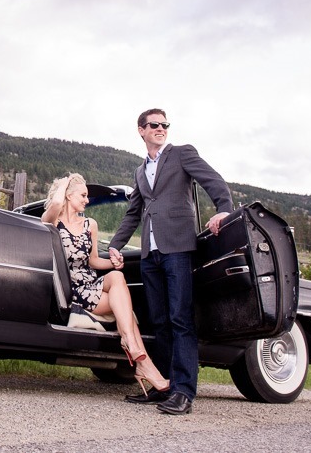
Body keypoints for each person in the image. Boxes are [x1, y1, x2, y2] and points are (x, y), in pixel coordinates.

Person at [108, 109, 233, 415]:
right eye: (154, 125)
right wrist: (114, 245)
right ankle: (163, 386)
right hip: (151, 254)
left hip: (178, 248)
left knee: (180, 319)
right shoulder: (140, 172)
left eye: (165, 124)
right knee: (159, 321)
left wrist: (224, 208)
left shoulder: (181, 154)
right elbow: (133, 214)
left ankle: (183, 391)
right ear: (141, 130)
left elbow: (212, 180)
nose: (161, 128)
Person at [42, 173, 169, 397]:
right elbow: (55, 204)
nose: (87, 200)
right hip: (73, 290)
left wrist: (113, 261)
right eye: (82, 195)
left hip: (92, 283)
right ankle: (143, 363)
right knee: (125, 309)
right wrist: (66, 181)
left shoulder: (90, 224)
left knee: (117, 278)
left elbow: (93, 261)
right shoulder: (54, 221)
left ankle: (131, 344)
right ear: (68, 195)